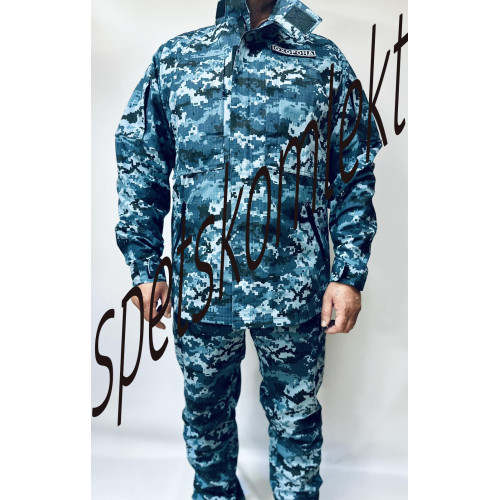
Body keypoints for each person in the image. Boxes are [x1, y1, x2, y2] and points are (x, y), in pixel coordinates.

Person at [114, 0, 382, 498]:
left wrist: (348, 274)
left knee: (296, 417)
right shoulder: (176, 59)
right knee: (205, 414)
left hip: (295, 293)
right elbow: (140, 166)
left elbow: (354, 172)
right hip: (201, 294)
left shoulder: (323, 61)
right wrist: (145, 267)